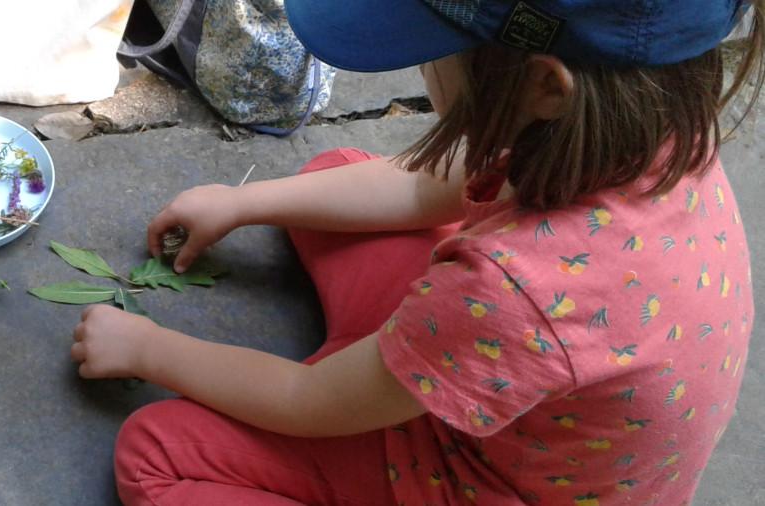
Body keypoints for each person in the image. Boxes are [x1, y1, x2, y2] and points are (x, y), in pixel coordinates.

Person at [67, 0, 763, 504]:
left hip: (484, 482)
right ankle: (386, 377)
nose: (420, 67)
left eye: (429, 48)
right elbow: (432, 186)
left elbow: (306, 399)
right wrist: (242, 201)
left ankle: (377, 388)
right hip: (535, 405)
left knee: (157, 454)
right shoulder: (653, 131)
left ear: (546, 85)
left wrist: (148, 348)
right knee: (332, 177)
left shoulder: (515, 292)